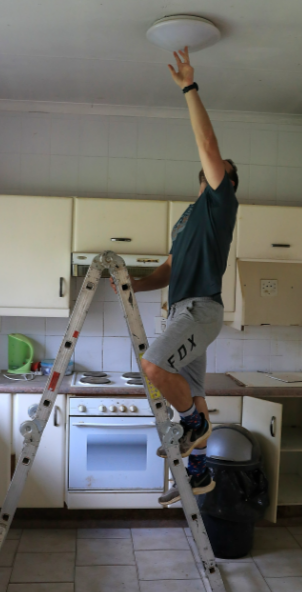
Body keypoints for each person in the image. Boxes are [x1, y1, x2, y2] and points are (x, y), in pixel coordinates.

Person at [111, 47, 238, 505]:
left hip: (201, 309)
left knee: (152, 367)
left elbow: (207, 147)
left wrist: (189, 86)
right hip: (181, 310)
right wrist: (133, 285)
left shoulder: (220, 206)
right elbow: (167, 269)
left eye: (220, 172)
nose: (215, 172)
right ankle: (200, 472)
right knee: (195, 392)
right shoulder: (186, 220)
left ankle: (194, 426)